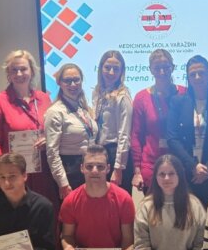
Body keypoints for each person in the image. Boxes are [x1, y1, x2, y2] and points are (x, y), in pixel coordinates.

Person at [38, 145, 135, 250]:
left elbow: (128, 240)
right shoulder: (71, 200)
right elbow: (66, 236)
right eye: (89, 166)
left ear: (108, 168)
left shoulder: (123, 198)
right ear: (82, 168)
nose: (95, 170)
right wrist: (68, 248)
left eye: (100, 166)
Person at [0, 50, 59, 213]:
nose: (19, 74)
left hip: (43, 170)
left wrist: (49, 140)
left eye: (24, 69)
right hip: (14, 174)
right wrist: (3, 169)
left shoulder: (44, 98)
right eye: (14, 70)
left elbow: (52, 130)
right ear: (8, 74)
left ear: (32, 71)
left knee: (45, 213)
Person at [167, 55, 208, 207]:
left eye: (201, 73)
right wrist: (193, 166)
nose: (197, 77)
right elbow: (172, 138)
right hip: (186, 172)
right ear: (188, 77)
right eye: (192, 74)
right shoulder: (177, 102)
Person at [130, 49, 186, 193]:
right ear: (150, 70)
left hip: (181, 164)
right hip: (151, 165)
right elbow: (135, 135)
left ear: (172, 68)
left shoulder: (185, 93)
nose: (162, 72)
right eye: (157, 68)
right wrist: (137, 170)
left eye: (166, 67)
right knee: (154, 212)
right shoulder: (141, 97)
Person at [44, 64, 98, 199]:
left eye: (76, 80)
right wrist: (63, 183)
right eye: (67, 81)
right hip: (69, 171)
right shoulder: (55, 111)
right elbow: (52, 152)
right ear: (59, 83)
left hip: (87, 167)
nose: (73, 84)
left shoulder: (82, 108)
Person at [92, 50, 133, 192]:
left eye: (116, 69)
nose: (111, 72)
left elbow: (124, 134)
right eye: (107, 67)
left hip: (116, 153)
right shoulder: (97, 92)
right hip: (100, 151)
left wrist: (118, 168)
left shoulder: (123, 97)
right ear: (101, 68)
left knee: (117, 201)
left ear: (121, 72)